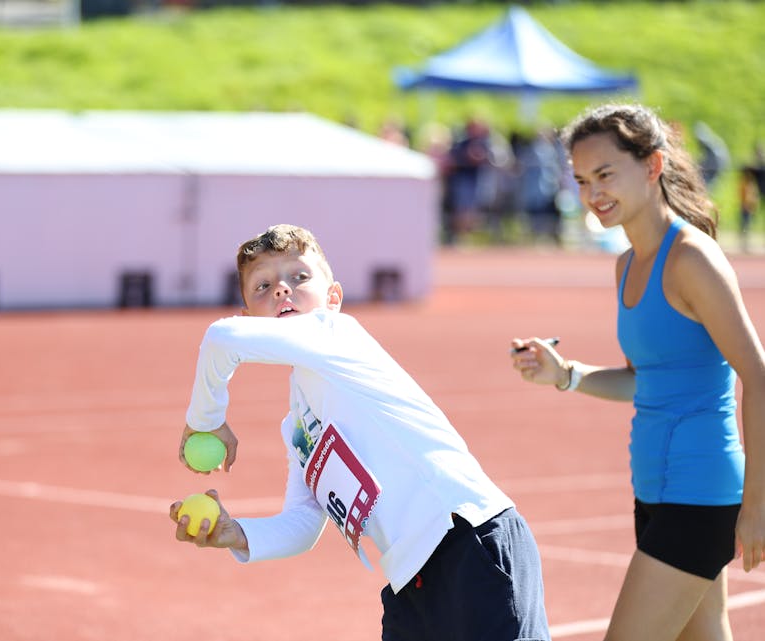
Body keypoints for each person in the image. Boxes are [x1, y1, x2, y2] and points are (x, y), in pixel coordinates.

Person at [170, 224, 551, 641]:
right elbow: (303, 523)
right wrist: (237, 533)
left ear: (333, 298)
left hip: (469, 542)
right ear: (250, 320)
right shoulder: (298, 424)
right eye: (263, 286)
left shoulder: (339, 335)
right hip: (411, 583)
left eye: (299, 277)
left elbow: (220, 338)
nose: (282, 289)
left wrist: (205, 421)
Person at [510, 103, 765, 641]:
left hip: (700, 495)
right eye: (582, 180)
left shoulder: (692, 259)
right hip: (653, 493)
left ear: (653, 166)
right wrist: (565, 373)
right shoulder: (626, 266)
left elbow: (758, 374)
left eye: (605, 174)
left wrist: (759, 503)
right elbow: (643, 380)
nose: (593, 193)